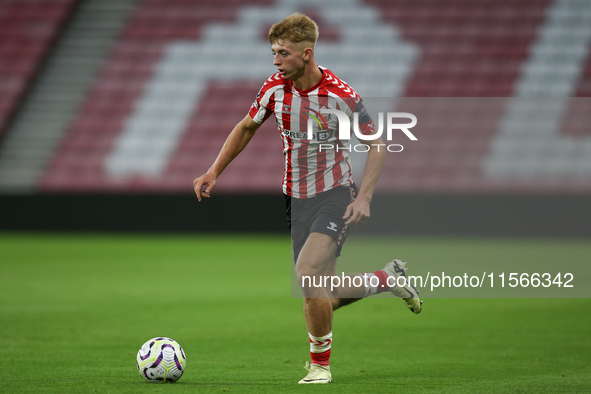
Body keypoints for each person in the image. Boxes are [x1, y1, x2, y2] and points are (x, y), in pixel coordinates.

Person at [193, 12, 422, 384]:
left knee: (306, 274)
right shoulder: (273, 89)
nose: (275, 60)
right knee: (323, 297)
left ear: (306, 54)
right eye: (273, 52)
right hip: (296, 200)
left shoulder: (340, 95)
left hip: (335, 194)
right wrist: (214, 170)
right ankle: (386, 278)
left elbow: (376, 143)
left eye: (282, 53)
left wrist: (363, 197)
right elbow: (246, 127)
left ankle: (320, 367)